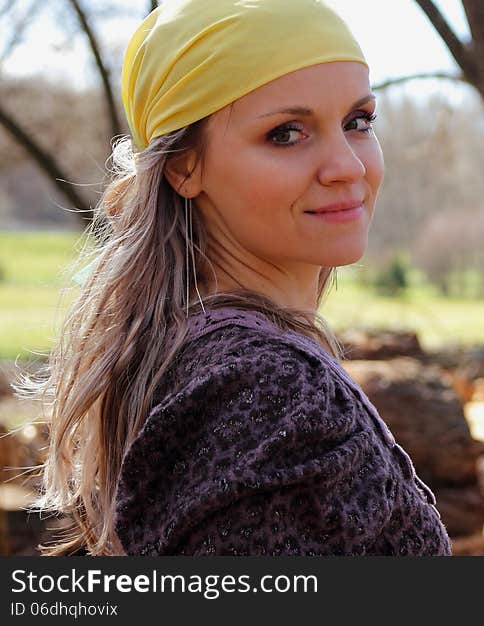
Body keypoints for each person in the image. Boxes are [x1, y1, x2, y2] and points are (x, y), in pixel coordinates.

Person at [15, 0, 452, 556]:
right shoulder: (269, 391)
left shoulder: (203, 356)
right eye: (287, 133)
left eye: (357, 122)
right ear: (183, 166)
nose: (347, 165)